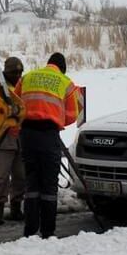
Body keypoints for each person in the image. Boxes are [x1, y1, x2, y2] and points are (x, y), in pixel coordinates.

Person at [15, 52, 81, 238]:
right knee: (49, 186)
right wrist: (54, 118)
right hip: (48, 135)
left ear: (48, 63)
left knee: (32, 183)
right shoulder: (66, 83)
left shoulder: (27, 77)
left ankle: (30, 230)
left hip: (27, 135)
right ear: (62, 68)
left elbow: (15, 104)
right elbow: (72, 115)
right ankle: (47, 231)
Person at [0, 56, 27, 225]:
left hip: (20, 139)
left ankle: (16, 209)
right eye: (14, 72)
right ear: (6, 72)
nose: (18, 75)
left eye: (20, 72)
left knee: (20, 176)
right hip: (3, 140)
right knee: (2, 177)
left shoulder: (23, 86)